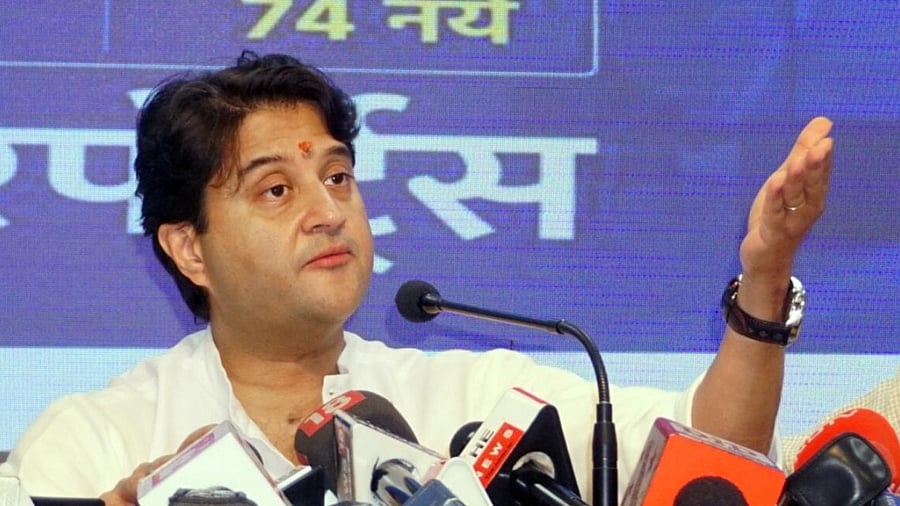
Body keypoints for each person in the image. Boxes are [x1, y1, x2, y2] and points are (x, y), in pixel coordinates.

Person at [0, 52, 834, 504]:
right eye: (277, 191)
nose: (329, 212)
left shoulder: (474, 402)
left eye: (338, 177)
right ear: (189, 249)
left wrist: (763, 282)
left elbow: (715, 458)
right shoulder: (101, 438)